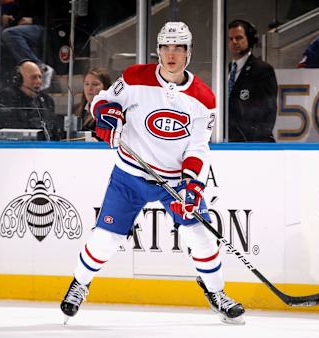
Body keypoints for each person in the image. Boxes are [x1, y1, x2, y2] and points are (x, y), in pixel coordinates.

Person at [60, 21, 245, 325]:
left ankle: (216, 292)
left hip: (173, 181)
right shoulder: (135, 78)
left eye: (178, 48)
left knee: (201, 236)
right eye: (166, 47)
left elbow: (198, 148)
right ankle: (79, 283)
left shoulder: (204, 99)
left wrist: (192, 187)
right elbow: (102, 100)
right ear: (158, 50)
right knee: (105, 240)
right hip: (129, 175)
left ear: (189, 52)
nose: (171, 54)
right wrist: (107, 118)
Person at [227, 19, 277, 142]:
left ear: (249, 39)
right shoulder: (226, 70)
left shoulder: (262, 70)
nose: (234, 42)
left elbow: (268, 113)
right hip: (229, 142)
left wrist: (253, 147)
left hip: (252, 146)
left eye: (239, 38)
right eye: (231, 38)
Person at [0, 59, 61, 140]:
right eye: (34, 77)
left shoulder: (47, 100)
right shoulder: (7, 96)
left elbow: (54, 131)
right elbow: (10, 129)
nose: (38, 81)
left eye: (40, 77)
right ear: (19, 79)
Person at [73, 67, 112, 135]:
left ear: (105, 88)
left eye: (95, 84)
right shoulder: (76, 110)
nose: (89, 88)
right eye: (87, 84)